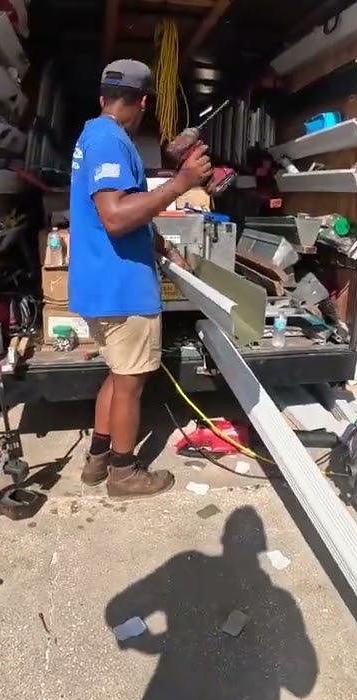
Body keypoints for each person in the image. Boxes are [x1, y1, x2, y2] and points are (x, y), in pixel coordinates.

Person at [68, 59, 213, 500]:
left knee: (116, 376)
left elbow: (128, 210)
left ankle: (97, 459)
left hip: (100, 283)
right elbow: (114, 217)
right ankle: (124, 473)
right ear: (144, 102)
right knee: (131, 383)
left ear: (102, 96)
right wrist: (182, 182)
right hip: (123, 286)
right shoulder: (111, 141)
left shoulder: (94, 135)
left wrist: (165, 249)